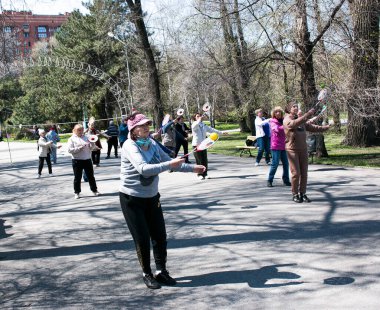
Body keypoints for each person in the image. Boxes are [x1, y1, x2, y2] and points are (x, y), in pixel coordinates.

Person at [119, 112, 205, 289]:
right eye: (142, 125)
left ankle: (161, 271)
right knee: (142, 238)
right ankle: (147, 273)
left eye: (147, 124)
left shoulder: (151, 143)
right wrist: (169, 165)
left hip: (152, 197)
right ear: (133, 129)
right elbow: (144, 169)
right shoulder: (129, 145)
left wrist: (193, 168)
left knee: (159, 236)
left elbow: (171, 162)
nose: (146, 127)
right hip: (132, 199)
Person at [283, 102, 329, 203]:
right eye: (293, 106)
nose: (295, 108)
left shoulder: (301, 120)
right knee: (296, 173)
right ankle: (295, 194)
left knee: (304, 173)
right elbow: (294, 124)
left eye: (296, 106)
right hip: (292, 150)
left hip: (303, 149)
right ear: (288, 109)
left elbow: (312, 127)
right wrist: (307, 114)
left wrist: (326, 127)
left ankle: (302, 193)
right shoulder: (287, 119)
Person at [191, 112, 227, 180]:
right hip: (196, 145)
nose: (199, 117)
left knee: (204, 160)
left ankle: (205, 173)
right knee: (199, 160)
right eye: (197, 116)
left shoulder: (203, 125)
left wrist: (221, 133)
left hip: (203, 145)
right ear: (195, 118)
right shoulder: (194, 124)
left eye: (200, 116)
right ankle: (200, 174)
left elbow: (212, 130)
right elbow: (195, 125)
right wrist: (199, 119)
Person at [67, 124, 100, 199]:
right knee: (77, 177)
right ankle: (77, 192)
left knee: (91, 176)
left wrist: (92, 144)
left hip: (87, 159)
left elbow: (91, 148)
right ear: (74, 130)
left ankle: (94, 190)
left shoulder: (86, 137)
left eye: (81, 130)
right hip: (77, 160)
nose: (80, 131)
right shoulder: (71, 139)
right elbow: (70, 150)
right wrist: (80, 148)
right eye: (78, 130)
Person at [267, 107, 290, 187]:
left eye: (279, 112)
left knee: (286, 164)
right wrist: (286, 126)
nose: (278, 113)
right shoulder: (272, 121)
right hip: (276, 146)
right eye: (276, 112)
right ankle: (270, 180)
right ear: (274, 113)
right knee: (275, 164)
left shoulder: (284, 120)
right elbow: (277, 129)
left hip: (284, 145)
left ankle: (286, 180)